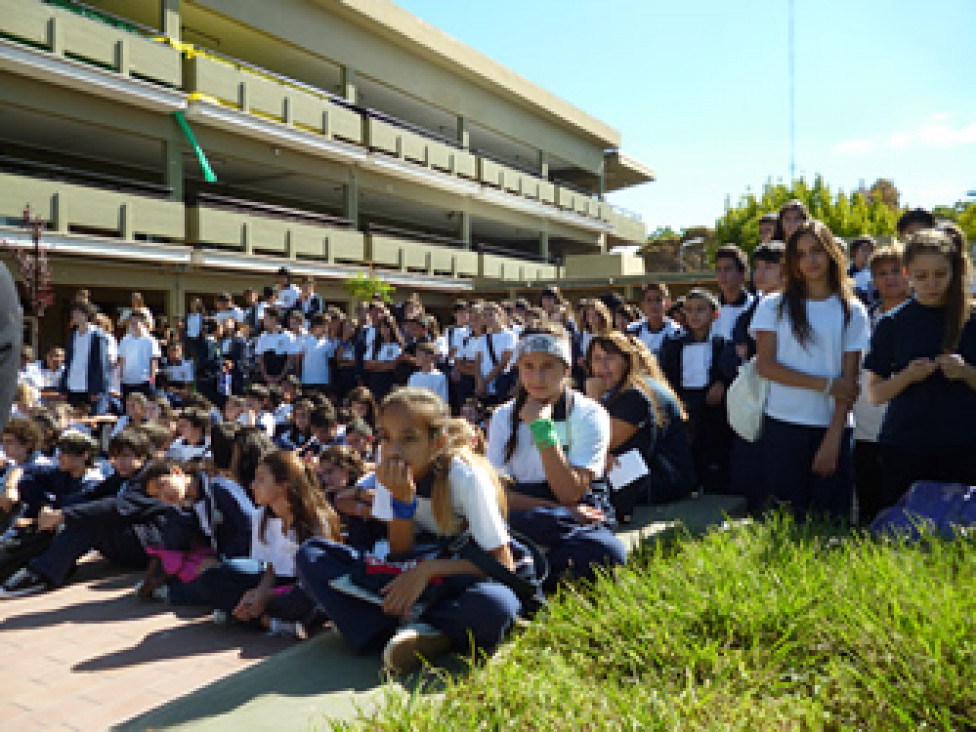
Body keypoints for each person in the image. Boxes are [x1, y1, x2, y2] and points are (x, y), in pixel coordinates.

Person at [297, 387, 523, 672]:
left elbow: (503, 565)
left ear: (438, 442)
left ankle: (424, 631)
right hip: (409, 572)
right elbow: (400, 552)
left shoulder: (465, 477)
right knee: (312, 555)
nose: (393, 449)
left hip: (455, 577)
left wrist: (426, 571)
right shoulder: (388, 470)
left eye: (409, 438)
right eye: (386, 438)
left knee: (495, 605)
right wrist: (402, 502)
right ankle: (409, 626)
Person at [486, 324, 626, 590]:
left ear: (567, 369)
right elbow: (499, 494)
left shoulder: (589, 413)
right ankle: (535, 569)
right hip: (528, 510)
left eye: (548, 366)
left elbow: (569, 492)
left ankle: (527, 570)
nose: (537, 377)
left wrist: (542, 429)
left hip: (575, 511)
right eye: (528, 366)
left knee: (605, 550)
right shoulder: (503, 416)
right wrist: (558, 510)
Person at [752, 220, 870, 521]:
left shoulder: (851, 309)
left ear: (832, 253)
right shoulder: (773, 306)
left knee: (831, 526)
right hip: (782, 426)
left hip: (832, 428)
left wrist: (832, 440)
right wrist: (826, 385)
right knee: (785, 525)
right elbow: (766, 366)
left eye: (817, 251)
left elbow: (850, 381)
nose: (810, 260)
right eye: (801, 254)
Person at [865, 229, 976, 511]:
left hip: (964, 447)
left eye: (940, 274)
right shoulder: (891, 323)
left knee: (957, 543)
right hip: (904, 447)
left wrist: (966, 373)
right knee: (903, 540)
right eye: (921, 276)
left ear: (955, 270)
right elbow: (875, 395)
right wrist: (906, 377)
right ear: (907, 274)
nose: (932, 283)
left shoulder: (971, 319)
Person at [194, 450, 338, 638]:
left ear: (283, 485)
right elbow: (270, 568)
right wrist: (259, 592)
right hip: (278, 583)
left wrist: (268, 596)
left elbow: (321, 576)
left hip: (307, 586)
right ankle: (273, 621)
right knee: (212, 580)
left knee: (308, 600)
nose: (253, 486)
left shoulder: (316, 519)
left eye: (261, 480)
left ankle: (266, 620)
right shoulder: (260, 517)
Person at [852, 245, 910, 525]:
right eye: (881, 274)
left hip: (906, 427)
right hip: (866, 424)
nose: (890, 279)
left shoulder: (923, 319)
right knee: (869, 504)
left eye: (896, 271)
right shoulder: (864, 319)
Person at [659, 289, 730, 493]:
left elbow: (729, 371)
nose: (694, 316)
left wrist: (722, 383)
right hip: (683, 404)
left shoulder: (722, 343)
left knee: (713, 453)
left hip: (713, 407)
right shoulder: (673, 344)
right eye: (689, 310)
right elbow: (666, 375)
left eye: (700, 310)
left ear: (714, 314)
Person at [60, 302, 112, 414]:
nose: (74, 316)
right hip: (72, 386)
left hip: (89, 388)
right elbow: (68, 362)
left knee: (91, 420)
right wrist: (64, 386)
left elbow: (101, 364)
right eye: (73, 313)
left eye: (78, 313)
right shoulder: (73, 335)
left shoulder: (97, 336)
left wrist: (97, 390)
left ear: (87, 315)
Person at [712, 244, 754, 342]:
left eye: (728, 269)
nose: (722, 275)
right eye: (718, 270)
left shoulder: (755, 307)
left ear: (743, 273)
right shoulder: (709, 308)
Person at [627, 283, 683, 356]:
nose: (653, 305)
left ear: (667, 304)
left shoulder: (676, 333)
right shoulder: (632, 330)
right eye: (649, 300)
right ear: (642, 305)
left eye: (658, 300)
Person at [117, 311, 161, 398]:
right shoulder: (125, 340)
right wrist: (121, 378)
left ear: (143, 323)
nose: (133, 325)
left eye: (135, 323)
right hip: (127, 381)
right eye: (131, 323)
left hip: (144, 381)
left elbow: (154, 361)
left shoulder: (150, 340)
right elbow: (122, 360)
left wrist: (152, 380)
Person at [364, 314, 403, 403]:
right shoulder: (374, 346)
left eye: (387, 327)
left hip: (388, 382)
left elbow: (393, 366)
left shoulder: (396, 346)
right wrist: (383, 365)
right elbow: (367, 365)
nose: (385, 331)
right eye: (382, 328)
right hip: (374, 382)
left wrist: (376, 365)